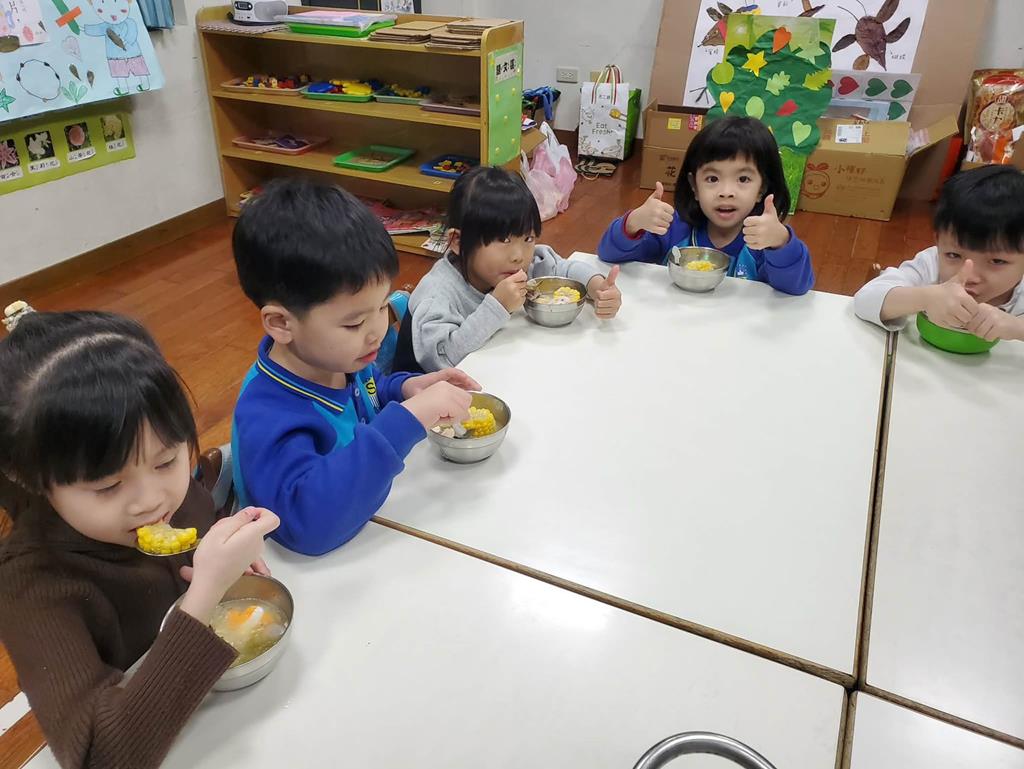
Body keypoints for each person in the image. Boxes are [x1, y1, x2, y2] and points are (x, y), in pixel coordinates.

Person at [0, 309, 279, 769]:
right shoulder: (31, 586)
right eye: (108, 486)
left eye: (166, 461)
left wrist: (231, 544)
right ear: (29, 476)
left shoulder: (174, 496)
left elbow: (205, 527)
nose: (152, 501)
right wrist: (206, 591)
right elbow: (99, 757)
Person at [231, 178, 477, 555]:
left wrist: (405, 390)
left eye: (381, 307)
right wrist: (405, 421)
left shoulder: (339, 357)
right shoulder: (270, 414)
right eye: (355, 322)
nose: (377, 330)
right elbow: (307, 527)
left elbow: (371, 391)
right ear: (281, 323)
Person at [395, 165, 623, 373]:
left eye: (528, 238)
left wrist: (596, 287)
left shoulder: (516, 266)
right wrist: (498, 306)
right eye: (504, 240)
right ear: (458, 241)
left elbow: (561, 268)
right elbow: (443, 360)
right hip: (427, 396)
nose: (518, 256)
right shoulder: (438, 294)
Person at [597, 116, 814, 296]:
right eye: (712, 179)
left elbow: (797, 287)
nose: (726, 192)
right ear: (694, 186)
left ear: (761, 188)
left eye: (743, 179)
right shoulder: (673, 228)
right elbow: (609, 255)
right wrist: (633, 223)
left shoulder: (765, 240)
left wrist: (781, 242)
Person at [854, 165, 1024, 340]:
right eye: (954, 255)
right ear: (939, 240)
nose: (971, 277)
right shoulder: (930, 265)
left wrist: (1017, 327)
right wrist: (926, 297)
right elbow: (865, 299)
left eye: (997, 261)